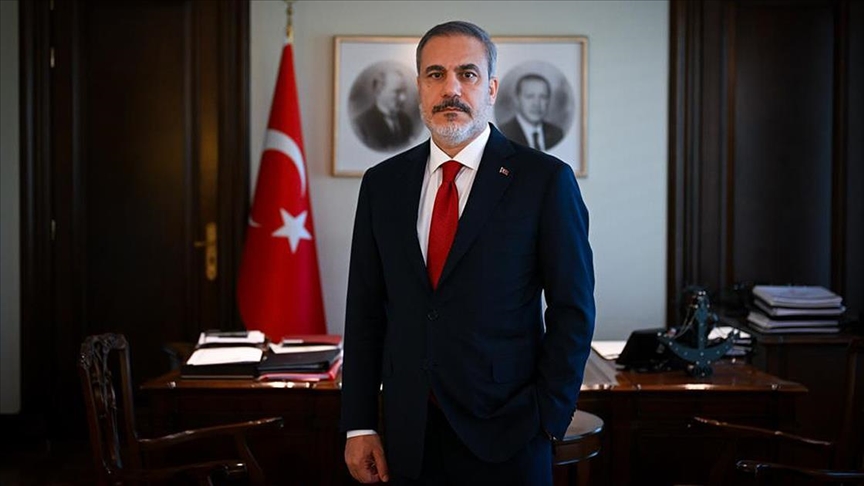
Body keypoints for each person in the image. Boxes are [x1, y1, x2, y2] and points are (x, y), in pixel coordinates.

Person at [341, 20, 595, 486]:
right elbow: (364, 311)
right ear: (420, 87)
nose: (451, 89)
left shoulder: (544, 181)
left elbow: (573, 310)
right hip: (407, 435)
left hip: (508, 431)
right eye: (435, 74)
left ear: (491, 88)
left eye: (468, 74)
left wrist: (547, 414)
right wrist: (359, 424)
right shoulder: (382, 185)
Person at [498, 73, 564, 151]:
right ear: (517, 100)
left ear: (548, 100)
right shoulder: (503, 133)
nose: (537, 103)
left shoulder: (557, 134)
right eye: (530, 96)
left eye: (543, 96)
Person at [354, 69, 415, 151]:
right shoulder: (361, 125)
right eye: (397, 92)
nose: (403, 98)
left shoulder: (406, 121)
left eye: (404, 91)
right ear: (379, 91)